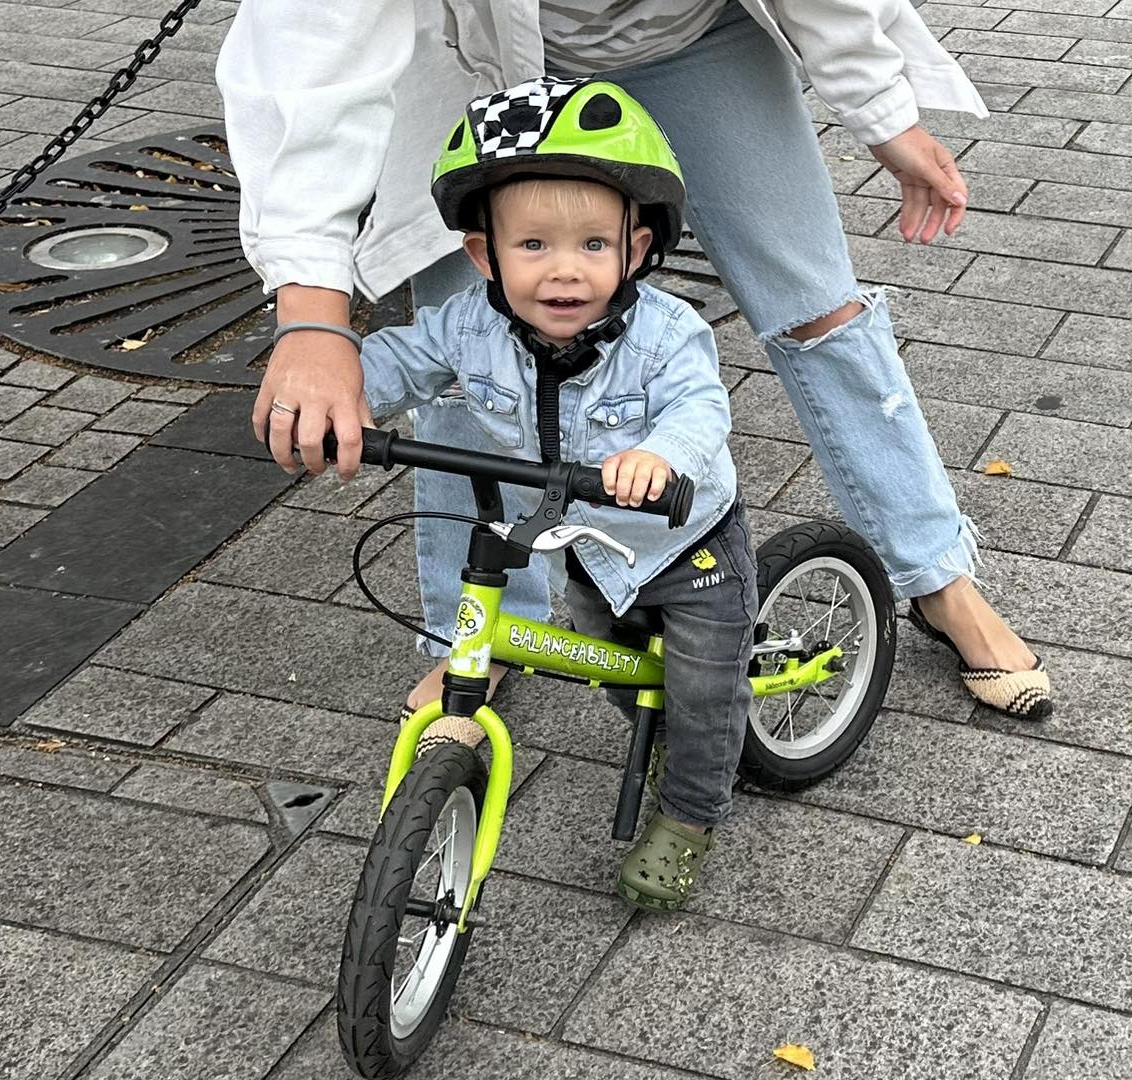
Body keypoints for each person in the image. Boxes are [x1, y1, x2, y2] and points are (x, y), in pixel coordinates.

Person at [217, 0, 1054, 723]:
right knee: (467, 342)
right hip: (472, 54)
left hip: (689, 34)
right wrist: (313, 318)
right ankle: (485, 629)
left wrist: (880, 108)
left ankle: (937, 577)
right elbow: (307, 38)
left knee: (819, 307)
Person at [348, 78, 756, 911]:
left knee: (704, 687)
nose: (565, 270)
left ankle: (690, 814)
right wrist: (334, 395)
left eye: (592, 247)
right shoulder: (470, 325)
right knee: (614, 664)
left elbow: (700, 406)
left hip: (686, 542)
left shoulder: (667, 334)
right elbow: (397, 363)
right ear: (483, 255)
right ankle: (672, 734)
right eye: (533, 245)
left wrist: (658, 454)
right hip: (585, 546)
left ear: (635, 249)